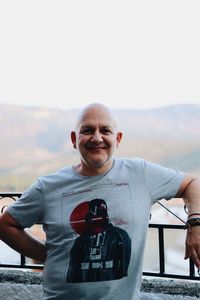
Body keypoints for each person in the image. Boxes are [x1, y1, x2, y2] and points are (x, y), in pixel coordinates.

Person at [0, 103, 200, 300]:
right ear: (74, 139)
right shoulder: (49, 187)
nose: (97, 138)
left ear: (118, 138)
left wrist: (195, 223)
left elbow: (193, 183)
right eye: (87, 130)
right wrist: (48, 255)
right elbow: (5, 224)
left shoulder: (140, 174)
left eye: (105, 130)